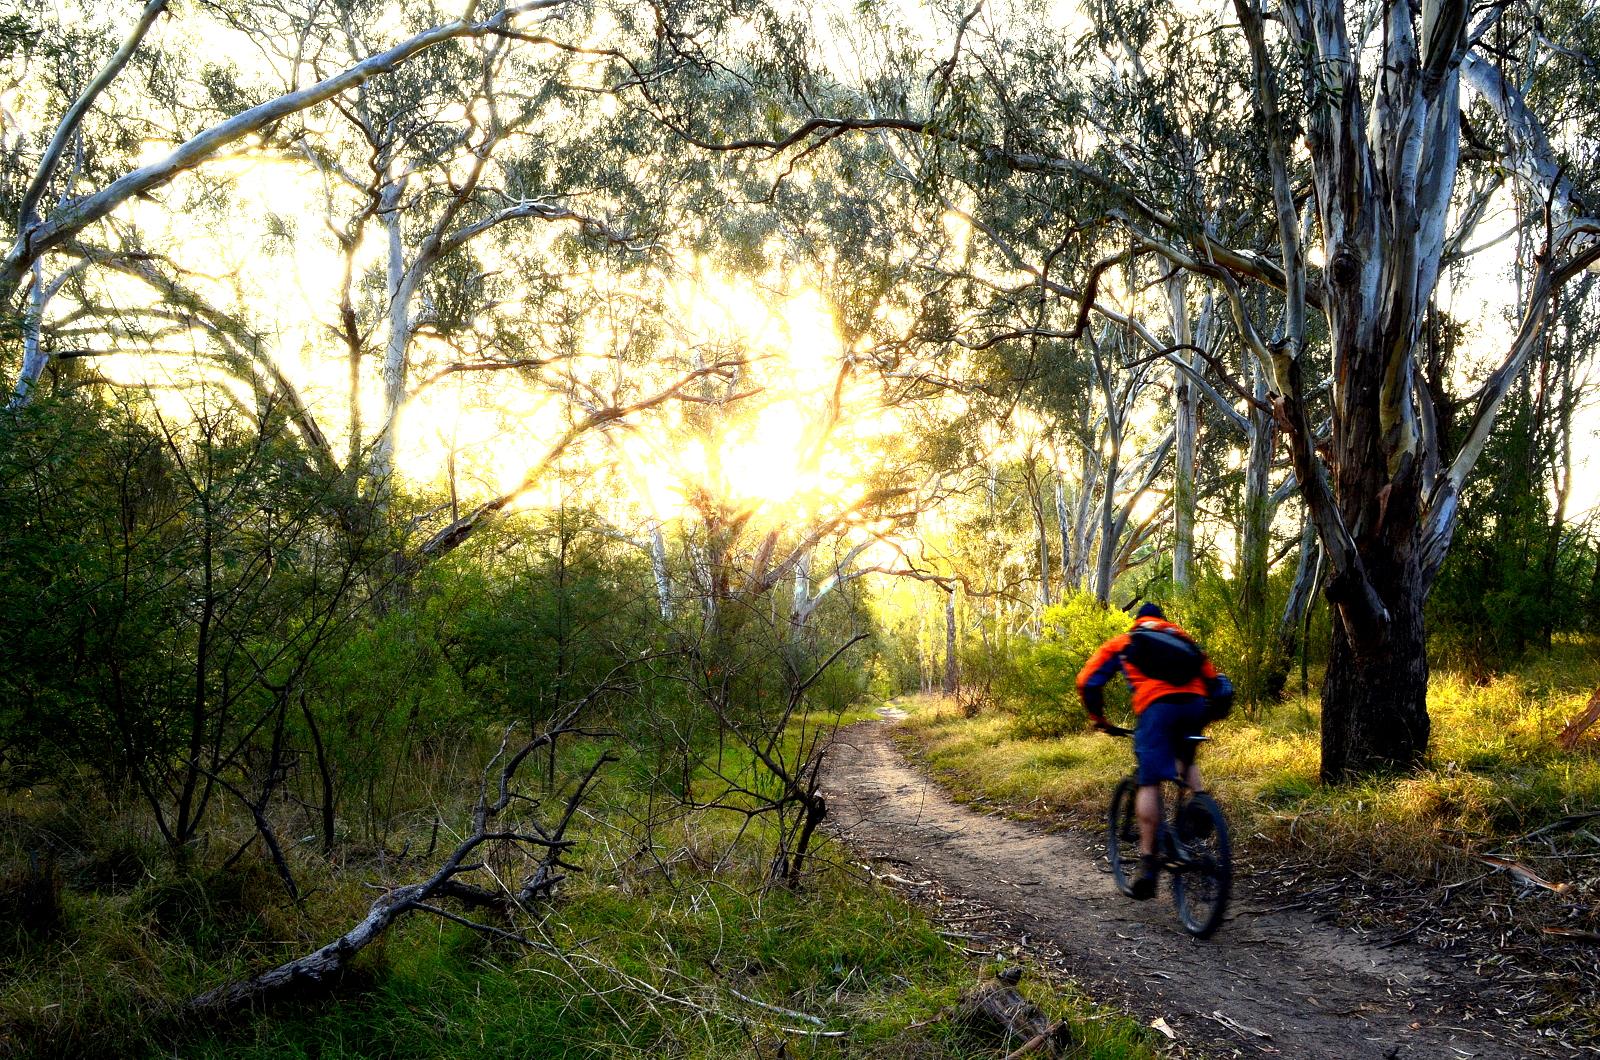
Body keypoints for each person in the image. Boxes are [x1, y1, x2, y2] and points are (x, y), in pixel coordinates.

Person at [1076, 603, 1232, 900]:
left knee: (1149, 779)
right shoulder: (1182, 637)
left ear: (1138, 621)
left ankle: (1148, 864)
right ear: (1162, 620)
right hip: (1196, 706)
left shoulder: (1127, 640)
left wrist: (1100, 719)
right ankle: (1199, 803)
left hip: (1156, 708)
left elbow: (1088, 680)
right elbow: (1213, 680)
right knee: (1183, 753)